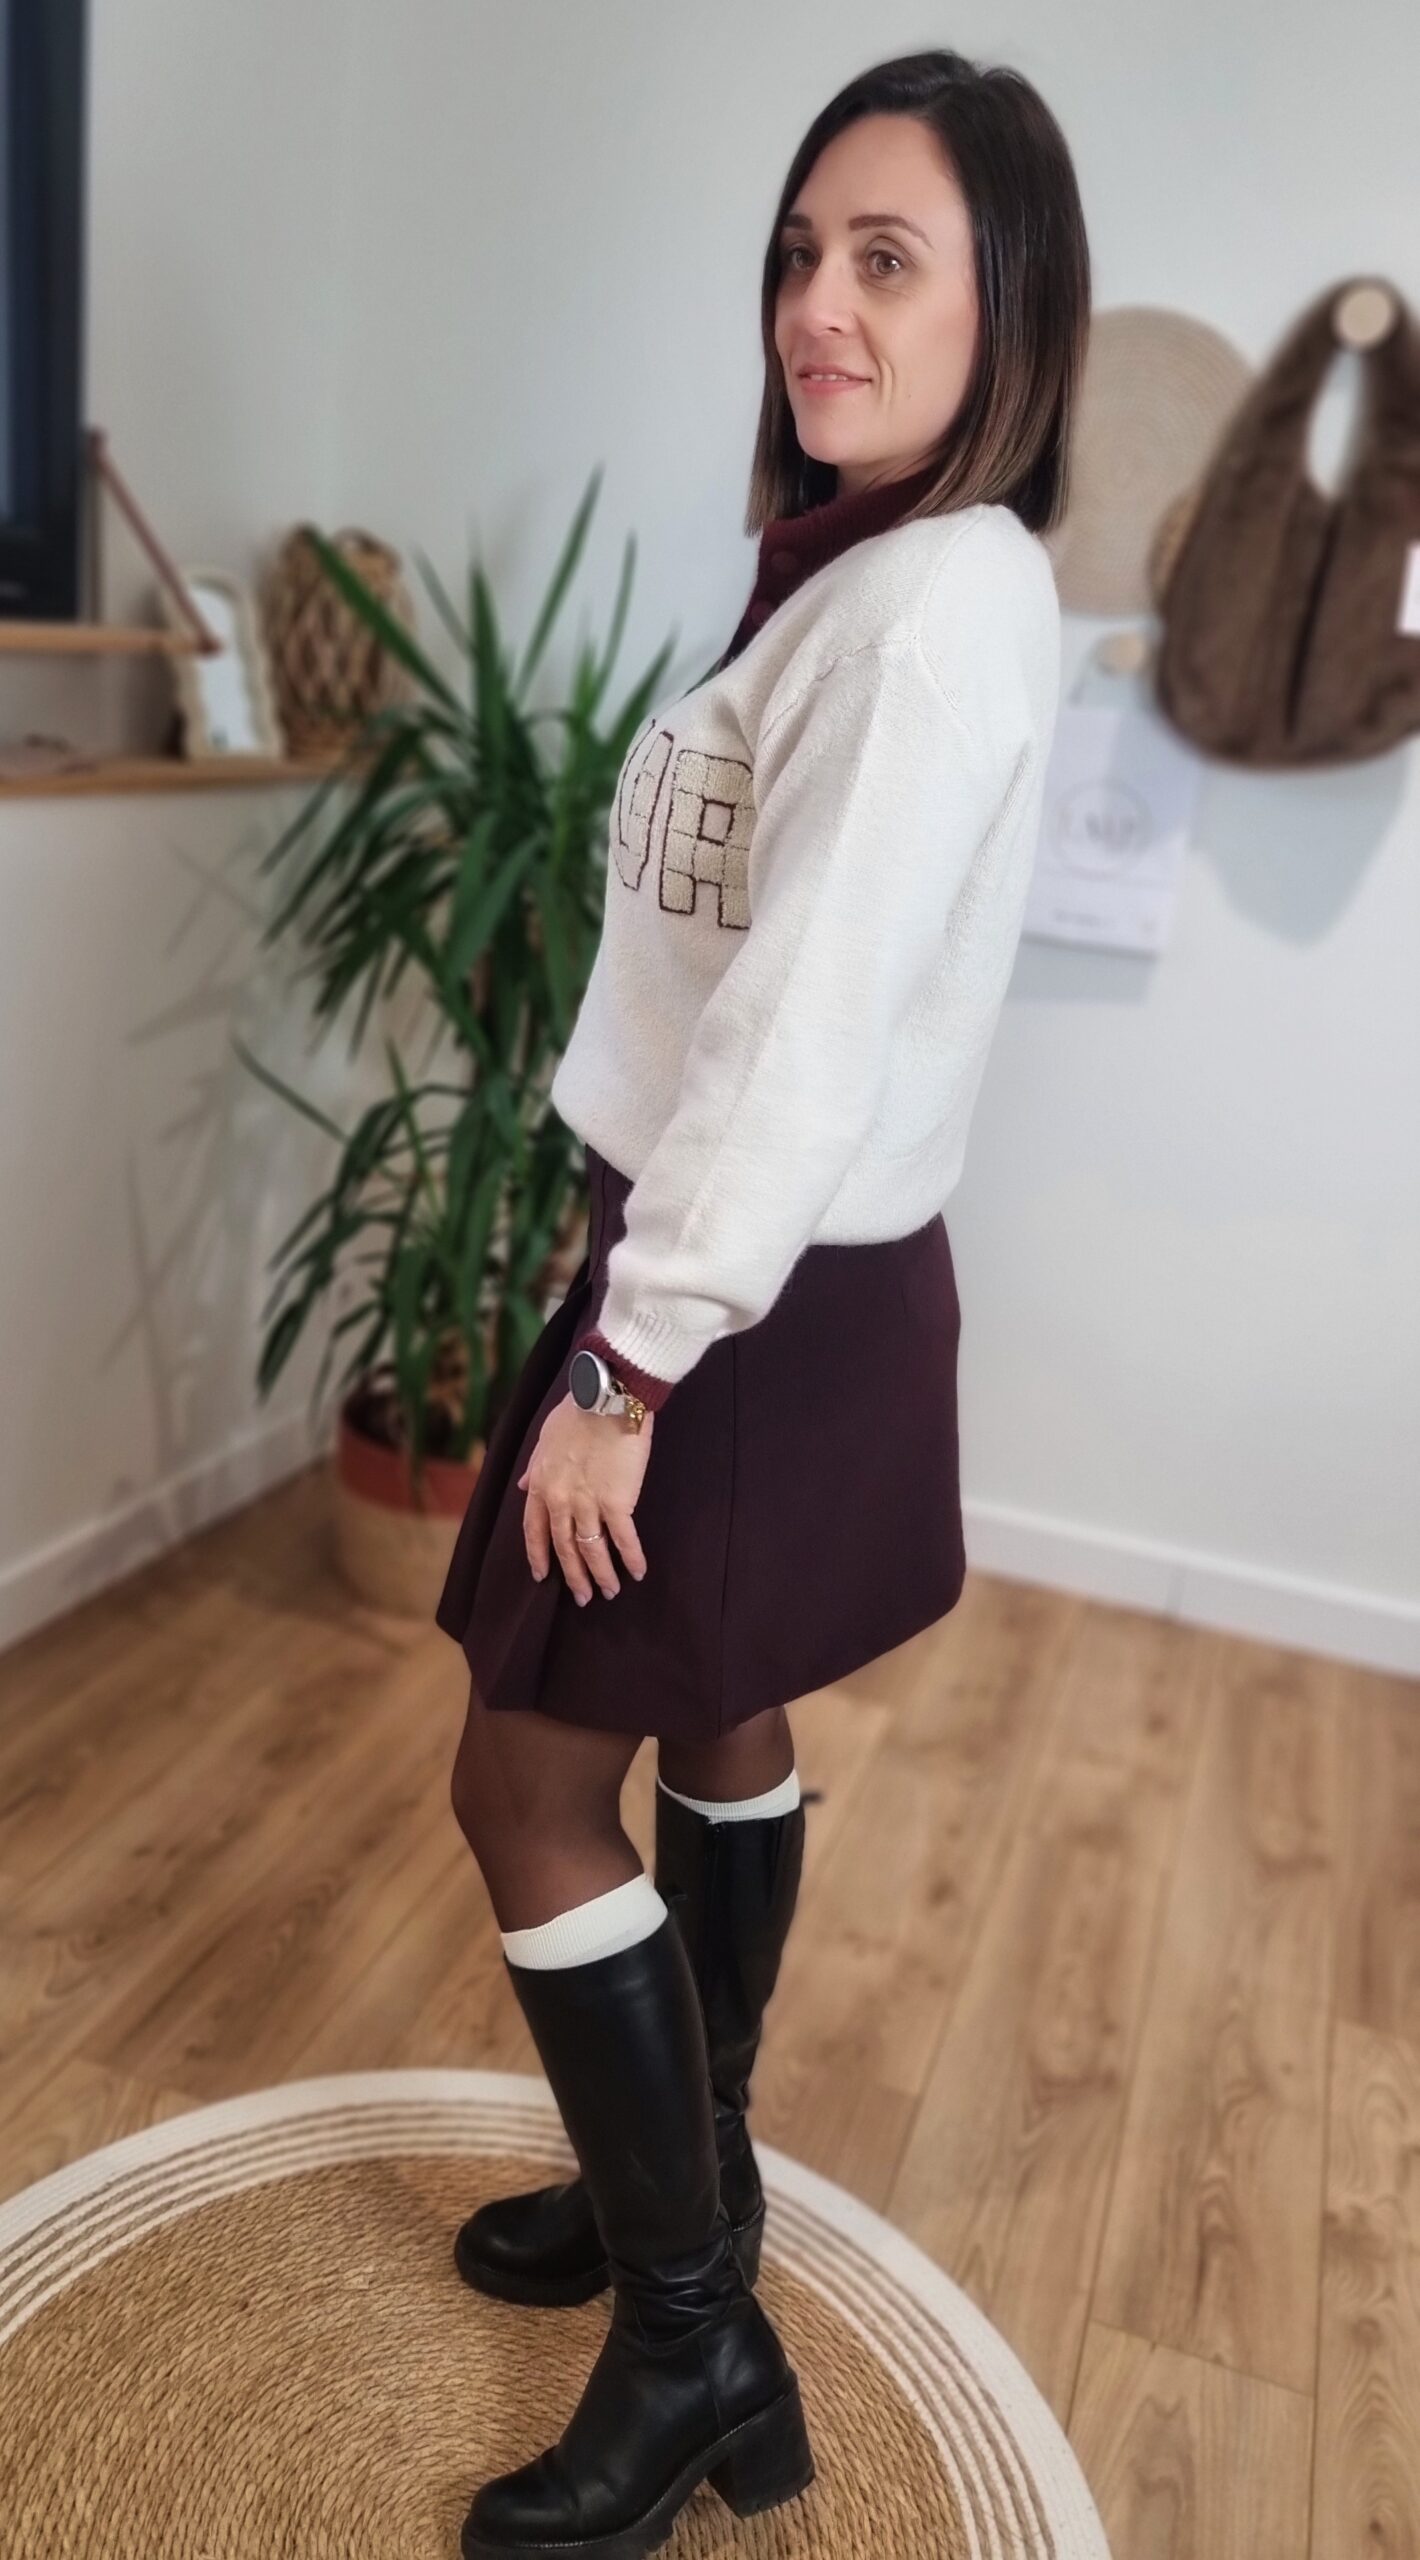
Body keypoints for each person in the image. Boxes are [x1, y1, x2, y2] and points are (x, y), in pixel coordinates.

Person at [437, 44, 1089, 2560]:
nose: (818, 302)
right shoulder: (885, 566)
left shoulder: (925, 609)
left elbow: (798, 1025)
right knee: (711, 1697)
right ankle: (684, 2183)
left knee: (517, 1783)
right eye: (801, 252)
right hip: (770, 1271)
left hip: (735, 1298)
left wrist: (628, 1350)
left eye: (885, 259)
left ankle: (690, 2326)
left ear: (1004, 306)